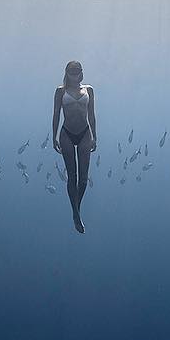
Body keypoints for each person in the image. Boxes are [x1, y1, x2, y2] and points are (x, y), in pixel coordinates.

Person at [52, 60, 96, 233]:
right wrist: (54, 136)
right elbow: (56, 114)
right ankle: (75, 214)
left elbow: (91, 115)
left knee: (84, 178)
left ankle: (77, 207)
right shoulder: (60, 91)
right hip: (66, 134)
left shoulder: (89, 90)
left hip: (85, 133)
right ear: (66, 73)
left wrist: (94, 136)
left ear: (81, 72)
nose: (74, 74)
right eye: (71, 71)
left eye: (77, 71)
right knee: (72, 176)